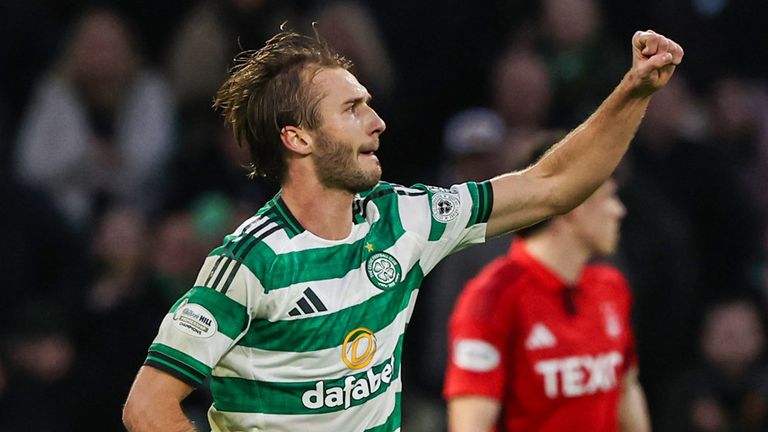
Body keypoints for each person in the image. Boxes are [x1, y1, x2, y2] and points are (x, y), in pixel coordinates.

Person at [122, 28, 682, 431]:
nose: (378, 121)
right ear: (299, 139)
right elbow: (147, 408)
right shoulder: (250, 261)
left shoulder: (406, 217)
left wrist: (635, 90)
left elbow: (552, 184)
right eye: (352, 109)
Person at [443, 175, 649, 432]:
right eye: (609, 196)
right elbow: (470, 426)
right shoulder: (491, 298)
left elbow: (627, 389)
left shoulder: (611, 287)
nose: (619, 211)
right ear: (572, 203)